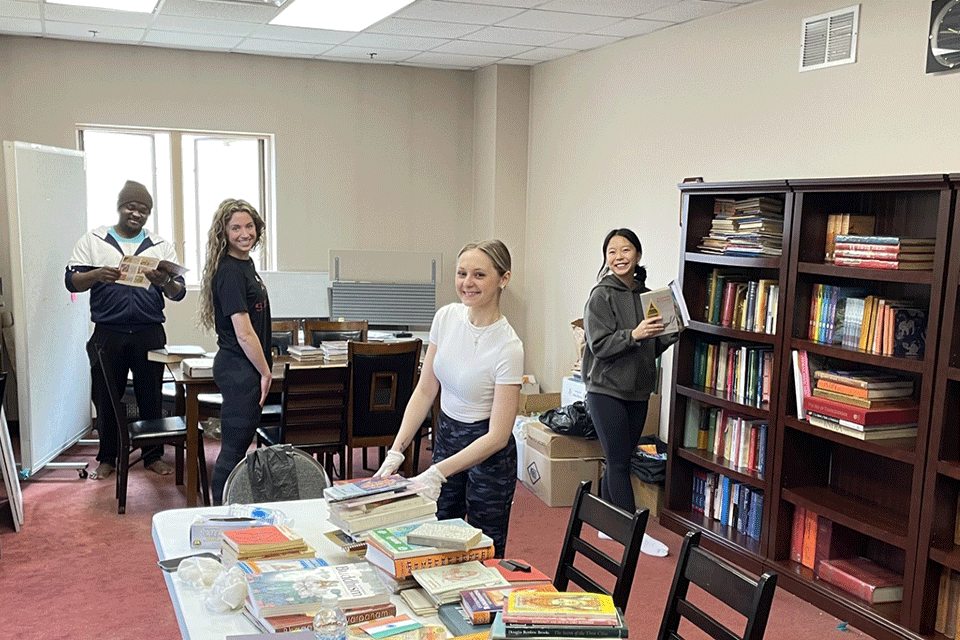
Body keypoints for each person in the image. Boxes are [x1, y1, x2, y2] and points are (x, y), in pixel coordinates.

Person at [374, 240, 523, 558]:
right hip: (448, 437)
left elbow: (497, 436)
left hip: (488, 454)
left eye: (479, 275)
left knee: (484, 549)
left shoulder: (509, 346)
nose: (467, 283)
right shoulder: (446, 318)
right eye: (462, 273)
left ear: (503, 279)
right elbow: (426, 390)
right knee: (437, 538)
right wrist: (396, 450)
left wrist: (437, 471)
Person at [66, 180, 186, 481]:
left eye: (144, 210)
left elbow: (178, 292)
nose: (136, 214)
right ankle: (107, 457)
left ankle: (153, 455)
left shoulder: (160, 245)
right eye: (131, 207)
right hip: (108, 331)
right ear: (120, 207)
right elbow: (71, 282)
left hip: (149, 331)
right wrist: (95, 275)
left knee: (151, 396)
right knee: (106, 397)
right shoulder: (95, 239)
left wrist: (163, 281)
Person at [581, 228, 677, 557]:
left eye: (625, 250)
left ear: (637, 254)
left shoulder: (648, 296)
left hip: (637, 389)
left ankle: (609, 526)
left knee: (617, 458)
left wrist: (672, 330)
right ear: (606, 259)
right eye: (612, 252)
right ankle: (631, 533)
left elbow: (652, 347)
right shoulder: (600, 296)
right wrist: (634, 333)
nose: (619, 257)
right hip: (605, 389)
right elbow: (600, 345)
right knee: (621, 462)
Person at [198, 198, 272, 505]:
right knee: (232, 450)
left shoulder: (245, 264)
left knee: (238, 446)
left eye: (249, 226)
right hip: (239, 368)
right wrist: (266, 371)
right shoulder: (229, 271)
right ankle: (218, 515)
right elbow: (243, 331)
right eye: (236, 228)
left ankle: (228, 512)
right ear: (223, 233)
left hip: (246, 368)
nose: (245, 233)